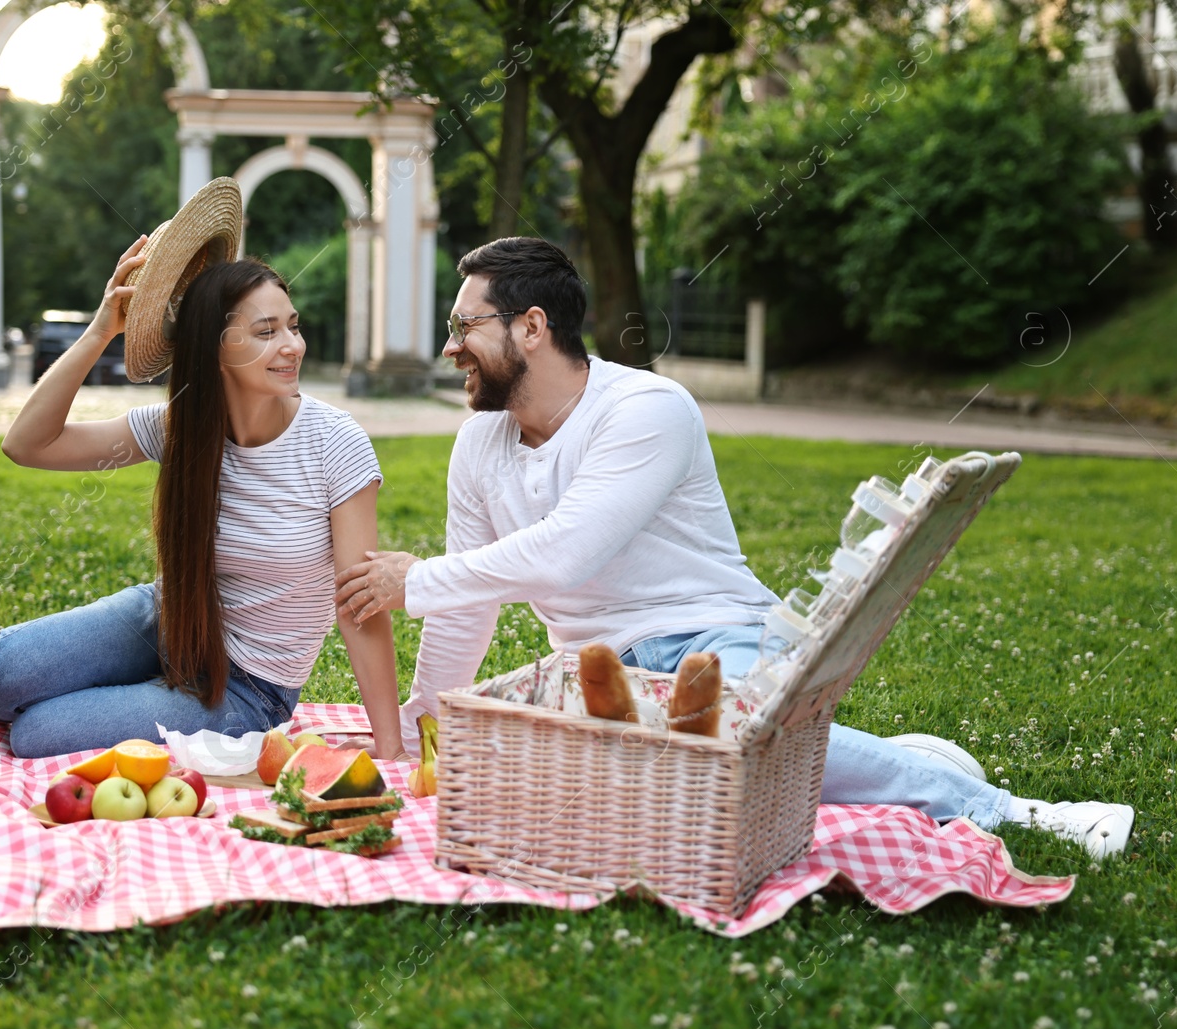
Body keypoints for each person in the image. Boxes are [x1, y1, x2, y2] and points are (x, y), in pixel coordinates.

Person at [334, 236, 1135, 859]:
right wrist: (422, 723)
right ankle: (890, 761)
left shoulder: (647, 408)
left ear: (532, 328)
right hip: (605, 679)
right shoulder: (480, 444)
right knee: (633, 800)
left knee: (731, 734)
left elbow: (566, 551)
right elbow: (468, 608)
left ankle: (1010, 810)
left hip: (716, 640)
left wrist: (418, 577)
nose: (449, 349)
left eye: (462, 327)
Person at [0, 181, 406, 761]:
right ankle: (31, 699)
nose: (292, 345)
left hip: (249, 689)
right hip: (171, 620)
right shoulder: (178, 425)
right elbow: (28, 444)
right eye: (267, 332)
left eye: (293, 325)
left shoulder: (336, 444)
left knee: (38, 735)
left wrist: (389, 748)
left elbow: (358, 608)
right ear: (214, 348)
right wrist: (99, 331)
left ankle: (108, 706)